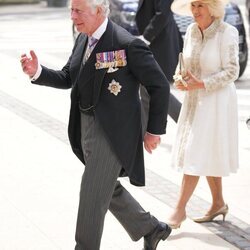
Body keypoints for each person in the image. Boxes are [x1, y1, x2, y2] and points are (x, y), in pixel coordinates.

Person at [20, 0, 172, 249]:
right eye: (71, 10)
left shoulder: (126, 44)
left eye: (78, 11)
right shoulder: (83, 39)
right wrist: (38, 72)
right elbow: (69, 76)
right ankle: (151, 228)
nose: (72, 16)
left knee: (91, 195)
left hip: (113, 133)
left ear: (99, 11)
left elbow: (159, 85)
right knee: (105, 187)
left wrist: (154, 130)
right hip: (85, 127)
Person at [166, 0, 239, 229]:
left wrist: (202, 84)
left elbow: (232, 71)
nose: (195, 10)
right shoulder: (190, 30)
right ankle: (218, 203)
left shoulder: (228, 32)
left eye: (201, 5)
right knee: (205, 152)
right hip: (193, 100)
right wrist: (180, 76)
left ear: (213, 7)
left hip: (216, 101)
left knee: (194, 152)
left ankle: (179, 210)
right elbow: (184, 63)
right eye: (193, 5)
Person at [136, 0, 183, 124]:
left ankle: (187, 122)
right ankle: (140, 135)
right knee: (147, 90)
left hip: (159, 42)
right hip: (153, 41)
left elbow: (163, 12)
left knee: (154, 88)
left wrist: (146, 37)